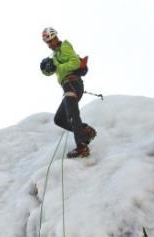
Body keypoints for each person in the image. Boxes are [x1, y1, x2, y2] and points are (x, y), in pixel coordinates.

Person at [40, 27, 96, 158]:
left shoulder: (64, 46)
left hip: (72, 82)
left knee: (72, 114)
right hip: (68, 85)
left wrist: (57, 66)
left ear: (55, 38)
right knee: (59, 119)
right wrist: (47, 69)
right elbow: (53, 70)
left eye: (50, 41)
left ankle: (82, 147)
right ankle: (86, 131)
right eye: (47, 43)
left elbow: (75, 63)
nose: (49, 45)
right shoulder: (56, 54)